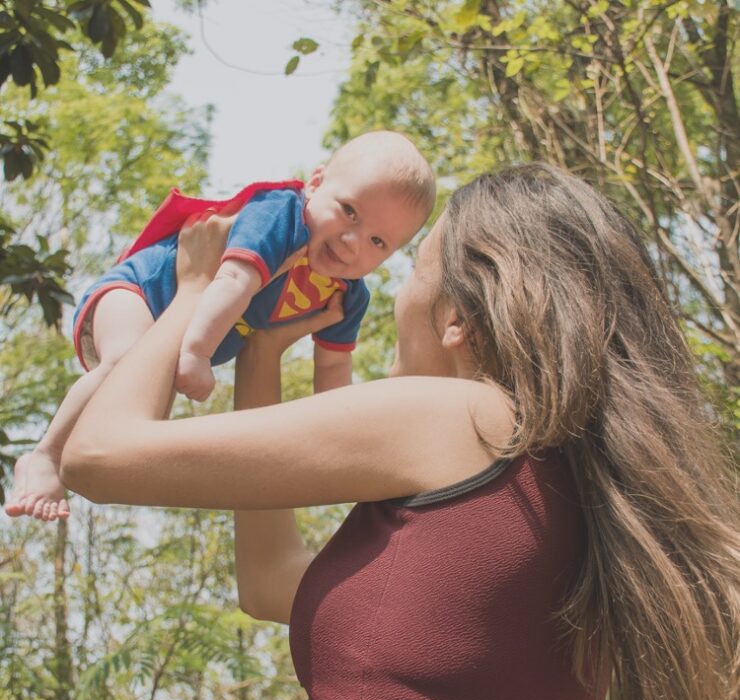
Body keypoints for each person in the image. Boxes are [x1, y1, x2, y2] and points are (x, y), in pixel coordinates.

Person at [60, 164, 738, 700]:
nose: (388, 290)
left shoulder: (465, 417)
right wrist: (262, 352)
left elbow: (99, 456)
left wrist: (192, 291)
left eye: (412, 268)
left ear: (456, 320)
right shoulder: (571, 493)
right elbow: (268, 584)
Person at [5, 130, 435, 522]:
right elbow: (233, 280)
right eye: (349, 212)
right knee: (124, 360)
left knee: (140, 420)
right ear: (316, 183)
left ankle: (78, 463)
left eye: (378, 241)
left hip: (176, 335)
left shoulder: (347, 295)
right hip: (139, 292)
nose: (352, 242)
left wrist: (345, 445)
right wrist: (197, 353)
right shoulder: (281, 216)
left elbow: (334, 373)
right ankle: (45, 455)